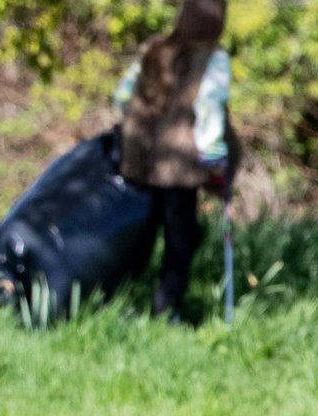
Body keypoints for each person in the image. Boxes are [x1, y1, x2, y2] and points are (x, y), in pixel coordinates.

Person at [114, 0, 239, 321]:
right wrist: (215, 161)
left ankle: (116, 297)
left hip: (139, 158)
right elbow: (209, 113)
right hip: (179, 168)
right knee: (180, 239)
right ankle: (166, 310)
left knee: (134, 232)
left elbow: (123, 97)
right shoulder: (215, 59)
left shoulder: (153, 50)